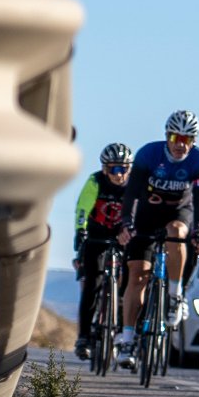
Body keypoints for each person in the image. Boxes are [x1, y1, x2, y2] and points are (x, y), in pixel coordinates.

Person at [114, 111, 199, 370]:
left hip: (179, 211)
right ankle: (126, 340)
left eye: (187, 139)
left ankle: (175, 294)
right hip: (147, 213)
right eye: (175, 137)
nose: (180, 144)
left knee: (177, 231)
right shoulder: (148, 155)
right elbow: (132, 194)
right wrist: (127, 224)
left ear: (194, 141)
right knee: (137, 276)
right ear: (166, 136)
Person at [72, 143, 132, 359]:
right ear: (105, 169)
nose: (120, 174)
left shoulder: (134, 184)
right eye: (115, 169)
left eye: (124, 169)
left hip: (123, 236)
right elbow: (83, 208)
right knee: (92, 285)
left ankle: (123, 333)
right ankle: (84, 337)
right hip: (97, 235)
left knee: (129, 284)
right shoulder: (95, 181)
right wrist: (81, 230)